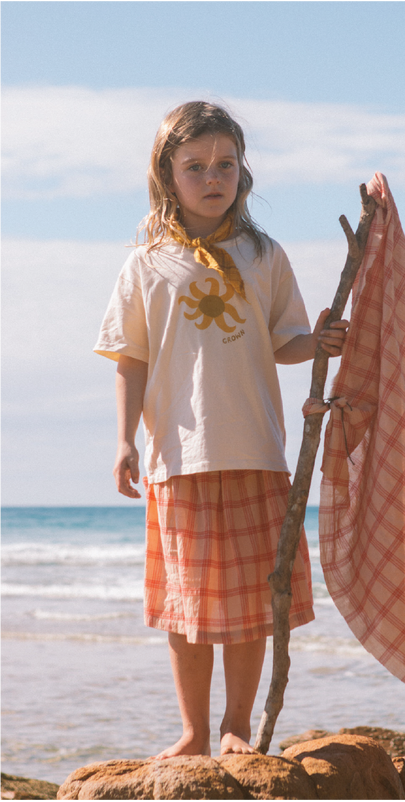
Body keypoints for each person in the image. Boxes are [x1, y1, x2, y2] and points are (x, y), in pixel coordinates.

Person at [94, 101, 348, 759]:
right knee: (186, 607)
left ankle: (236, 724)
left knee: (250, 605)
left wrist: (316, 343)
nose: (213, 177)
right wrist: (124, 440)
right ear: (166, 176)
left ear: (243, 171)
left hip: (257, 451)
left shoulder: (264, 254)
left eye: (225, 164)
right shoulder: (146, 264)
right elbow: (130, 358)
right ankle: (194, 731)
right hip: (177, 457)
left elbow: (284, 339)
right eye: (195, 166)